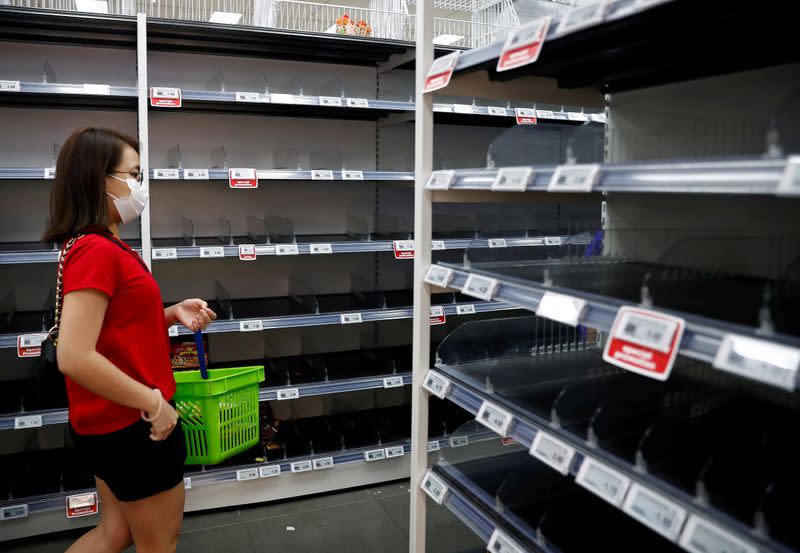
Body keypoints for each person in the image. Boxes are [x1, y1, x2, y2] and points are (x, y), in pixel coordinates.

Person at [43, 127, 217, 553]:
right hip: (134, 429)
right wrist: (153, 403)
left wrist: (169, 316)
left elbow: (113, 332)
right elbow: (75, 355)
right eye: (134, 174)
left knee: (115, 533)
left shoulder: (101, 243)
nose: (141, 186)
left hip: (109, 424)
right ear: (99, 179)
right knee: (159, 543)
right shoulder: (97, 251)